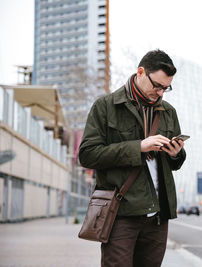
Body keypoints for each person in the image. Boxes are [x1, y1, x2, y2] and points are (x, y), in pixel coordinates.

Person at [79, 49, 186, 267]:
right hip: (121, 213)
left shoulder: (168, 112)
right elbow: (87, 154)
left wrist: (177, 154)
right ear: (140, 72)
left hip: (158, 216)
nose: (161, 93)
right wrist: (138, 147)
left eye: (166, 88)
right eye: (157, 85)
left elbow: (174, 164)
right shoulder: (105, 107)